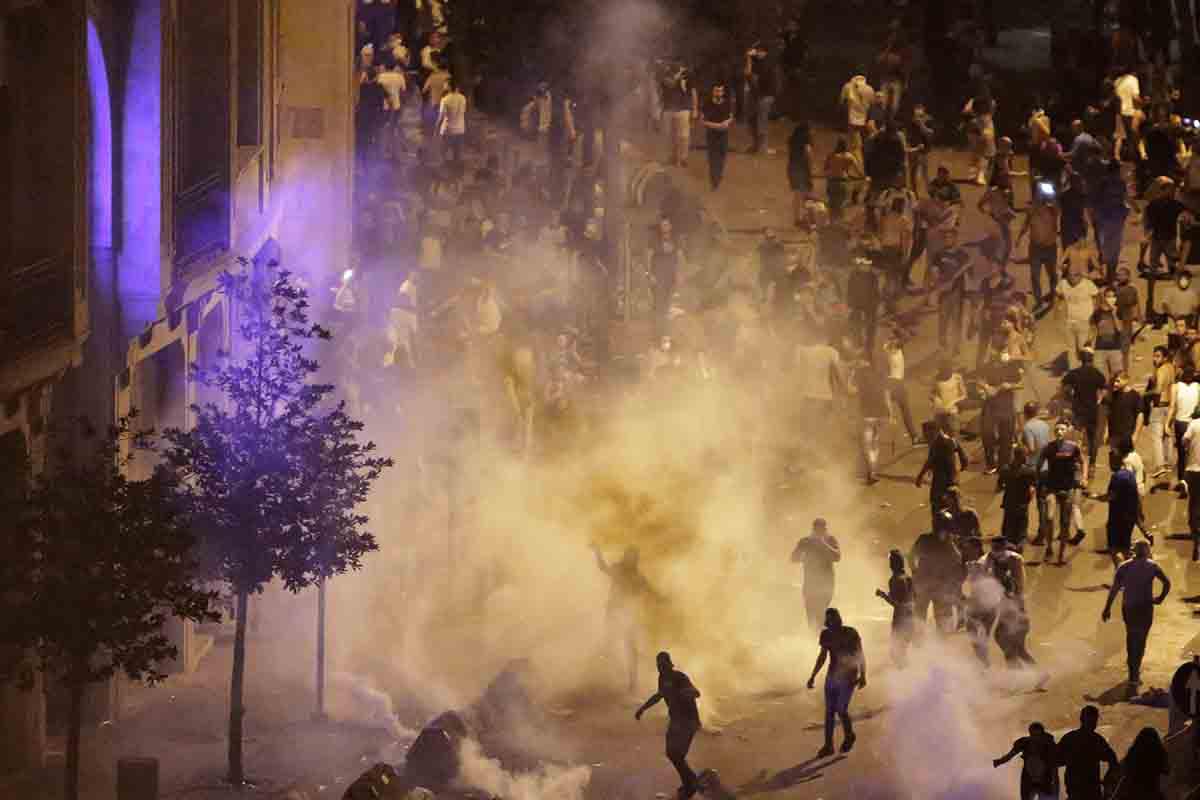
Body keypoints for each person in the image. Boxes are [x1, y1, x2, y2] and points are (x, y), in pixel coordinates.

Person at [1102, 541, 1171, 686]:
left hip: (1129, 607)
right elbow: (1167, 582)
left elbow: (1114, 589)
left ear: (1134, 551)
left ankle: (1132, 672)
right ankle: (1136, 670)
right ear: (1147, 551)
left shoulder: (1124, 567)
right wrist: (1160, 599)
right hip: (1146, 607)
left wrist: (1107, 608)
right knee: (1142, 639)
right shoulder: (1152, 566)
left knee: (1131, 637)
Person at [635, 652, 702, 799]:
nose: (660, 667)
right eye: (658, 665)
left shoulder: (679, 677)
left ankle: (692, 782)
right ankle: (689, 782)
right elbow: (659, 695)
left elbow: (696, 693)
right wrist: (643, 708)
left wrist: (686, 693)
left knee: (677, 755)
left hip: (688, 721)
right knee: (672, 754)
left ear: (669, 664)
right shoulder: (662, 678)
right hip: (675, 722)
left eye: (663, 664)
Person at [594, 546, 655, 692]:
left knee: (630, 647)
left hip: (628, 613)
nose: (632, 559)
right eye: (630, 556)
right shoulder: (618, 570)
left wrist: (663, 598)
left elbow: (650, 590)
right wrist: (597, 552)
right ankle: (605, 677)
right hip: (615, 612)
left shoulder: (637, 577)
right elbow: (603, 568)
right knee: (610, 644)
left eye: (634, 557)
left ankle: (632, 681)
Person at [806, 608, 866, 757]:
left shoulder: (851, 633)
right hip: (832, 676)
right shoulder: (825, 635)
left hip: (849, 676)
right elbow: (822, 656)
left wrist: (863, 674)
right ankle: (828, 745)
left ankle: (849, 735)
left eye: (833, 619)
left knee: (841, 709)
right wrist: (813, 675)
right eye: (829, 620)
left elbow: (860, 654)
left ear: (839, 619)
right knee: (829, 712)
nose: (831, 623)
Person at [1038, 420, 1089, 564]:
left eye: (1062, 429)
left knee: (1065, 522)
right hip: (1052, 488)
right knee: (1049, 517)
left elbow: (1083, 461)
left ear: (1067, 431)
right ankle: (1049, 547)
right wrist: (1038, 482)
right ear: (1054, 432)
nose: (1059, 431)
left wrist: (1084, 478)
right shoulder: (1048, 448)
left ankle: (1061, 554)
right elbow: (1039, 465)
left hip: (1068, 488)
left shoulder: (1073, 447)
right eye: (1057, 429)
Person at [910, 513, 964, 633]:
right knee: (921, 617)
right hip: (929, 585)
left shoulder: (947, 542)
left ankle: (938, 643)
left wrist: (915, 572)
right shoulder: (929, 540)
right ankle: (920, 643)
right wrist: (915, 572)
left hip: (936, 585)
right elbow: (912, 556)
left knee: (940, 619)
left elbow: (956, 563)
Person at [1056, 706, 1118, 800]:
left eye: (1094, 721)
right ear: (1082, 720)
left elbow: (1113, 760)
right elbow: (1056, 760)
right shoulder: (1096, 740)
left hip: (1084, 790)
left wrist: (1108, 780)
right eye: (1090, 721)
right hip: (1081, 790)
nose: (1092, 724)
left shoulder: (1072, 738)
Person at [1062, 350, 1108, 475]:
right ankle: (1092, 465)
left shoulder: (1074, 373)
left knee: (1074, 436)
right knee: (1093, 439)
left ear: (1081, 360)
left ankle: (1070, 462)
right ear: (1091, 360)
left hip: (1078, 410)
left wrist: (1069, 398)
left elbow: (1064, 386)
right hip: (1092, 410)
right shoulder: (1096, 373)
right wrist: (1099, 400)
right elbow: (1104, 387)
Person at [979, 346, 1025, 474]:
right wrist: (985, 387)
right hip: (990, 406)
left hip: (1006, 406)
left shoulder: (1012, 367)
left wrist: (1008, 385)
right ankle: (991, 464)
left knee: (1007, 435)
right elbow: (979, 379)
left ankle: (1004, 464)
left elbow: (1021, 383)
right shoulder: (988, 366)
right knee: (987, 434)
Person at [791, 518, 842, 631]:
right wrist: (804, 556)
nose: (821, 531)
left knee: (822, 613)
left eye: (823, 529)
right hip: (810, 583)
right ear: (813, 529)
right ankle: (813, 639)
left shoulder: (830, 540)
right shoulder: (805, 541)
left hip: (826, 583)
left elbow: (837, 557)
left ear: (825, 529)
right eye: (818, 529)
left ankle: (822, 639)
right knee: (811, 614)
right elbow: (793, 558)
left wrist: (823, 544)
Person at [916, 419, 969, 524]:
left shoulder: (938, 443)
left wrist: (920, 476)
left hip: (942, 481)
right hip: (952, 479)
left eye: (927, 434)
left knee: (937, 504)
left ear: (935, 431)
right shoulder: (950, 440)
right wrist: (963, 464)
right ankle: (951, 526)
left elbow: (930, 461)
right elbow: (962, 454)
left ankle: (941, 527)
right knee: (952, 504)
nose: (926, 437)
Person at [1017, 187, 1061, 310]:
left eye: (1041, 196)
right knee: (1035, 276)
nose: (1039, 198)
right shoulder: (1031, 211)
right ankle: (1039, 300)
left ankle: (1053, 296)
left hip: (1050, 248)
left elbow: (1056, 204)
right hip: (1035, 248)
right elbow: (1025, 224)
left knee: (1052, 275)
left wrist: (1050, 192)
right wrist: (1019, 238)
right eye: (1038, 196)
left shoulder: (1053, 210)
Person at [994, 722, 1060, 800]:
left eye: (1038, 735)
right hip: (1029, 780)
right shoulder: (1025, 742)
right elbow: (1010, 755)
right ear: (1030, 733)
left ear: (1042, 734)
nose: (1035, 738)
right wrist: (999, 761)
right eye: (1033, 735)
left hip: (1045, 780)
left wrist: (1055, 784)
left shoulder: (1049, 744)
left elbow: (1054, 765)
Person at [876, 549, 916, 666]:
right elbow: (915, 598)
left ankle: (906, 677)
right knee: (902, 651)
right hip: (911, 617)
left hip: (901, 620)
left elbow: (897, 605)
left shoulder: (894, 580)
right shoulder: (908, 577)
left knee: (896, 653)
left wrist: (883, 595)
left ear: (892, 564)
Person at [1057, 268, 1099, 370]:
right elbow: (1059, 296)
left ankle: (1086, 369)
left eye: (1075, 275)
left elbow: (1097, 298)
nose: (1072, 278)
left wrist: (1095, 316)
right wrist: (1059, 312)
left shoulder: (1088, 284)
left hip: (1085, 320)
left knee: (1082, 347)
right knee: (1071, 348)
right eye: (1070, 275)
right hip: (1069, 320)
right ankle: (1073, 371)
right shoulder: (1063, 284)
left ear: (1080, 276)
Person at [647, 217, 684, 332]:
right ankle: (658, 333)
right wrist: (649, 274)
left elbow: (680, 256)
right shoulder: (655, 239)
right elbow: (648, 256)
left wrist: (680, 273)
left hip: (671, 276)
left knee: (670, 305)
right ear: (660, 226)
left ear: (670, 226)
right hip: (658, 277)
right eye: (663, 225)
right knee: (659, 305)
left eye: (667, 224)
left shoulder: (676, 239)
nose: (665, 227)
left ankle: (668, 334)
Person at [882, 333, 919, 445]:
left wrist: (893, 337)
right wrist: (897, 330)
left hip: (889, 383)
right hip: (897, 384)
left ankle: (872, 433)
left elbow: (901, 340)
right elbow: (907, 337)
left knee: (885, 409)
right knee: (906, 411)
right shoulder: (897, 350)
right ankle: (914, 437)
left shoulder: (887, 349)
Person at [1113, 727, 1169, 800]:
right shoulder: (1158, 754)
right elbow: (1167, 770)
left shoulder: (1133, 753)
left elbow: (1125, 771)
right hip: (1152, 792)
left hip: (1133, 793)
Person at [1168, 366, 1200, 491]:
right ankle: (1192, 480)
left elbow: (1172, 407)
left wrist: (1167, 423)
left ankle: (1183, 480)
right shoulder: (1197, 386)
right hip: (1194, 423)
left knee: (1182, 454)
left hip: (1180, 423)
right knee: (1194, 453)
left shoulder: (1175, 387)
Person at [999, 444, 1037, 549]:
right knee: (1021, 531)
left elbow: (1000, 486)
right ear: (1023, 457)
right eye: (1026, 455)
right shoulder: (1029, 471)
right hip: (1022, 505)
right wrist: (1030, 496)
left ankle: (1007, 549)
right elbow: (1034, 487)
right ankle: (1018, 551)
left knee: (1007, 529)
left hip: (1008, 504)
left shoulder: (1005, 469)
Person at [1106, 458, 1142, 566]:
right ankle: (1129, 576)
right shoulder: (1130, 475)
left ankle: (1120, 576)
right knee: (1125, 548)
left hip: (1116, 517)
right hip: (1129, 517)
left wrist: (1095, 497)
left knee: (1114, 549)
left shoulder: (1116, 477)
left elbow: (1111, 496)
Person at [746, 43, 778, 154]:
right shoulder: (757, 62)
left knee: (761, 122)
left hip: (766, 95)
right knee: (753, 120)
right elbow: (748, 73)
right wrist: (749, 58)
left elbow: (752, 77)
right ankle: (756, 146)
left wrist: (750, 58)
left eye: (760, 51)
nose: (757, 53)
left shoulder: (766, 63)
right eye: (757, 50)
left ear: (765, 52)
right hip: (758, 95)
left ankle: (763, 148)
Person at [662, 66, 697, 167]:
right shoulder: (664, 73)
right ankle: (673, 156)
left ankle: (683, 158)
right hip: (669, 109)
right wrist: (678, 76)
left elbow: (693, 92)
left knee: (684, 136)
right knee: (670, 135)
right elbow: (670, 84)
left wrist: (695, 109)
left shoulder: (688, 74)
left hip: (683, 109)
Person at [701, 83, 734, 190]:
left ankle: (718, 176)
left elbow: (731, 117)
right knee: (712, 158)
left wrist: (727, 122)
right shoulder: (707, 104)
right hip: (711, 135)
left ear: (723, 92)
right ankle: (714, 181)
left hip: (724, 134)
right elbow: (702, 121)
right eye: (716, 91)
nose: (718, 93)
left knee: (722, 157)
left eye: (720, 91)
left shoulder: (727, 103)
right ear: (713, 92)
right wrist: (716, 125)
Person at [1091, 287, 1125, 380]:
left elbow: (1119, 329)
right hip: (1099, 349)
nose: (1111, 299)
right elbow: (1093, 330)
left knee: (1118, 379)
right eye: (1108, 296)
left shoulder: (1119, 311)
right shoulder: (1097, 312)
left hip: (1115, 348)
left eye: (1113, 296)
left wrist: (1114, 313)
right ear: (1104, 298)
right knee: (1099, 378)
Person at [787, 122, 814, 226]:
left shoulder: (791, 140)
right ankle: (809, 218)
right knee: (807, 194)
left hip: (792, 168)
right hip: (802, 169)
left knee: (797, 194)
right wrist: (810, 169)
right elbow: (808, 155)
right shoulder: (806, 142)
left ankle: (797, 218)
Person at [1182, 410, 1200, 559]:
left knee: (1194, 504)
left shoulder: (1194, 424)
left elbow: (1184, 441)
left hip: (1194, 470)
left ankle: (1196, 537)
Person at [437, 77, 468, 164]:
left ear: (449, 87)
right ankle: (456, 169)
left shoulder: (445, 99)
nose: (444, 86)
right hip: (460, 129)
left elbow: (441, 116)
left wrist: (436, 127)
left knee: (444, 152)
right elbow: (463, 112)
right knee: (457, 152)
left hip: (448, 130)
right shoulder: (463, 98)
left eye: (445, 85)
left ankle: (445, 169)